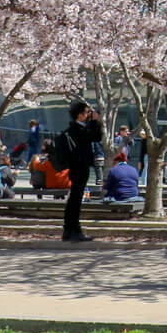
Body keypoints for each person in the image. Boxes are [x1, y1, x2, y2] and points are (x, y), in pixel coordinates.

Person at [61, 100, 105, 242]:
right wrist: (95, 121)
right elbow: (93, 137)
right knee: (75, 199)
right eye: (87, 113)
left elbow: (96, 137)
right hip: (78, 167)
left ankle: (70, 230)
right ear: (80, 115)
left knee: (75, 199)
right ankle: (73, 230)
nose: (88, 115)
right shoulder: (77, 129)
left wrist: (95, 122)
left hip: (78, 167)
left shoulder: (76, 128)